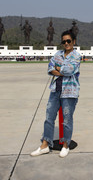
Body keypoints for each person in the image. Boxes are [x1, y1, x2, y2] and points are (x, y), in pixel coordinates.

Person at [31, 30, 81, 158]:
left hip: (69, 92)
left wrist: (59, 67)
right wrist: (61, 69)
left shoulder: (76, 56)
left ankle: (65, 145)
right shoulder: (57, 54)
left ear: (73, 42)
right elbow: (50, 67)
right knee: (49, 117)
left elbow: (69, 70)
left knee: (67, 119)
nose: (66, 43)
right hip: (55, 90)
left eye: (68, 41)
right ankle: (45, 145)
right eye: (64, 41)